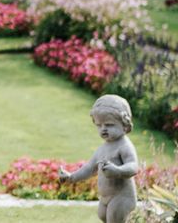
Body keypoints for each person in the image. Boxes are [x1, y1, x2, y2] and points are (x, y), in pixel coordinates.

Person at [58, 94, 138, 223]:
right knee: (102, 216)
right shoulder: (103, 148)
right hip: (106, 197)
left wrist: (118, 171)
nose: (103, 129)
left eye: (109, 125)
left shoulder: (124, 146)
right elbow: (90, 168)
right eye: (99, 125)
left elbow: (133, 166)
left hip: (122, 196)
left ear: (125, 125)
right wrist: (71, 177)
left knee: (114, 219)